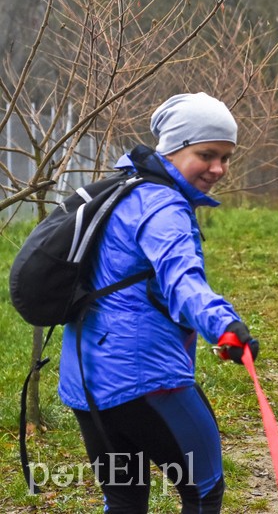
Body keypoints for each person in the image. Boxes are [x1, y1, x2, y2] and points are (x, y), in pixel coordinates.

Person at [57, 92, 260, 513]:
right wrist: (224, 326)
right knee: (203, 490)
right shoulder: (162, 205)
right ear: (173, 148)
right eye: (207, 154)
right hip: (145, 380)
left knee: (124, 497)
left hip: (87, 379)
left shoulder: (121, 192)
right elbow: (182, 282)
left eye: (226, 157)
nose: (218, 168)